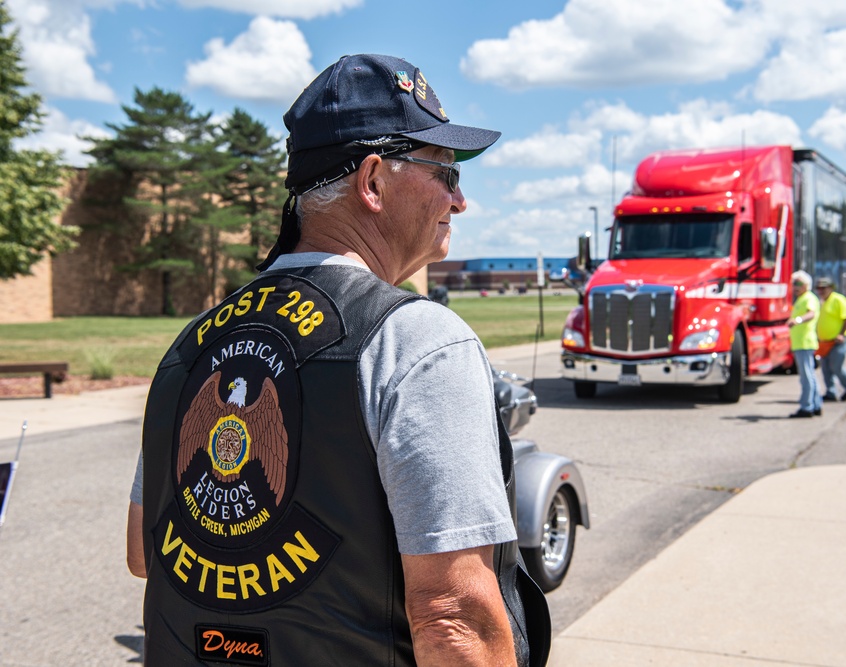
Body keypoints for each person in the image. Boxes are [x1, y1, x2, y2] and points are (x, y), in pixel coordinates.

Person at [126, 54, 549, 666]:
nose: (459, 202)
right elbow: (454, 617)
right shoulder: (416, 340)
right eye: (446, 174)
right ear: (373, 181)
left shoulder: (191, 347)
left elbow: (147, 551)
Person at [815, 277, 846, 402]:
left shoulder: (838, 299)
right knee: (825, 368)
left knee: (836, 366)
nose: (821, 291)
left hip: (838, 341)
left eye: (823, 288)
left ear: (830, 288)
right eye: (819, 289)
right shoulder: (822, 301)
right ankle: (831, 392)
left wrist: (841, 334)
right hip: (825, 341)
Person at [787, 270, 822, 418]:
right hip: (801, 343)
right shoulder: (801, 299)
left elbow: (811, 313)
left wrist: (798, 320)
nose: (795, 287)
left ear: (807, 285)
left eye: (799, 283)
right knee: (810, 376)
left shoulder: (808, 298)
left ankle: (806, 407)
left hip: (805, 343)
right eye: (794, 283)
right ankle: (815, 405)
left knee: (806, 377)